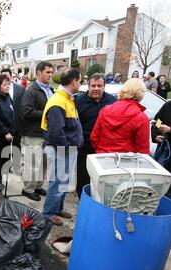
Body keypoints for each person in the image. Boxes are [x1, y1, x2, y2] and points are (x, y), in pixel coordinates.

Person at [41, 68, 83, 226]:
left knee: (63, 181)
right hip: (61, 149)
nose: (80, 83)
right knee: (58, 181)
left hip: (66, 149)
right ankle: (48, 212)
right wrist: (66, 149)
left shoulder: (67, 98)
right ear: (74, 82)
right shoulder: (58, 101)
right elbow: (56, 132)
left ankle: (57, 208)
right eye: (80, 80)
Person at [75, 73, 117, 199]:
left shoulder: (112, 101)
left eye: (100, 85)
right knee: (83, 178)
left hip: (104, 149)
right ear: (88, 86)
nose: (96, 88)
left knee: (102, 179)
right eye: (93, 85)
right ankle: (83, 200)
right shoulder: (79, 101)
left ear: (104, 86)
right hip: (85, 147)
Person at [21, 61, 54, 202]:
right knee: (32, 162)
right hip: (32, 133)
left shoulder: (50, 90)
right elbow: (26, 111)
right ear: (38, 73)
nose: (50, 75)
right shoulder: (31, 91)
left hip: (46, 133)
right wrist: (47, 113)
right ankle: (27, 189)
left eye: (52, 72)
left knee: (43, 163)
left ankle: (38, 186)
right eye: (48, 72)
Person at [90, 78, 150, 154]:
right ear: (140, 94)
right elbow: (143, 150)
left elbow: (94, 138)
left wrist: (101, 150)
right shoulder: (141, 118)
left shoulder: (105, 110)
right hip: (126, 162)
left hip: (102, 158)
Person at [0, 74, 16, 190]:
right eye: (4, 85)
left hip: (9, 135)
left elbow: (11, 114)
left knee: (5, 158)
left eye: (8, 84)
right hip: (0, 135)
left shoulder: (7, 97)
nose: (7, 87)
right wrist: (5, 132)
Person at [152, 101, 171, 199]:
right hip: (164, 150)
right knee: (159, 180)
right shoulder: (168, 105)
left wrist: (170, 129)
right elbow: (157, 120)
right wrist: (156, 134)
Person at [1, 68, 25, 151]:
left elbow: (23, 106)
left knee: (16, 150)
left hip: (17, 125)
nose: (5, 78)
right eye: (2, 76)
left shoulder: (20, 89)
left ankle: (15, 164)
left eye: (6, 76)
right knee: (3, 153)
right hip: (4, 127)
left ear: (11, 77)